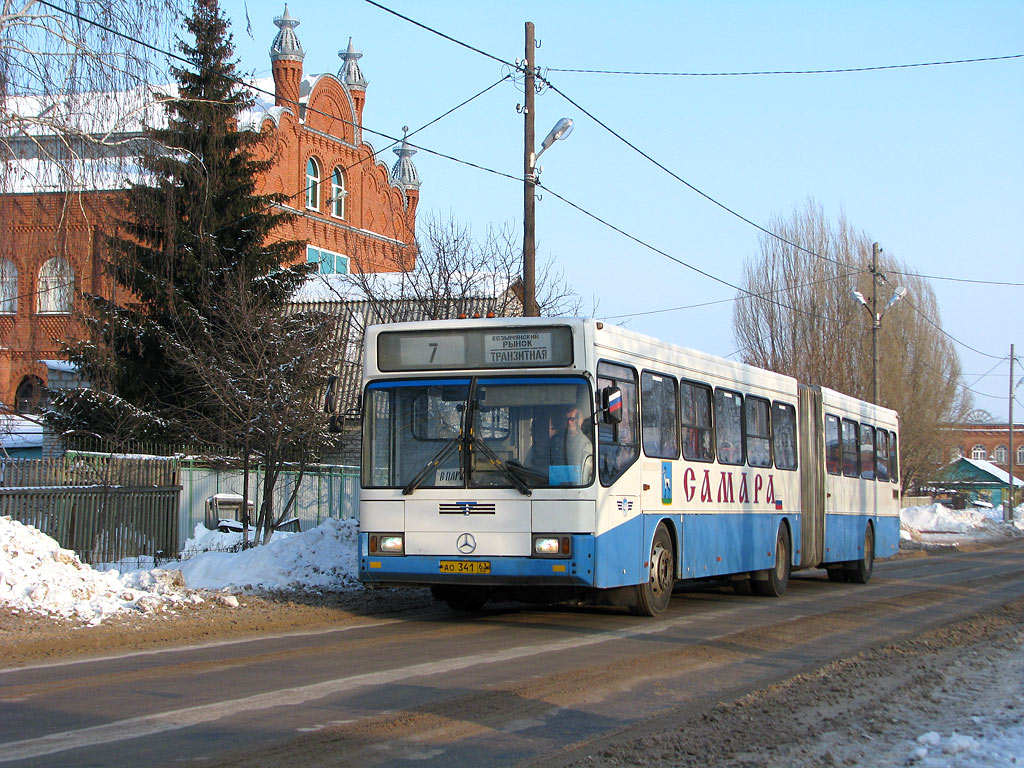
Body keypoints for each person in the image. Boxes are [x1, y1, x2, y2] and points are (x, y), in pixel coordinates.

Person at [549, 406, 591, 479]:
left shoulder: (585, 442)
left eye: (572, 419)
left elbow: (589, 465)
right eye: (567, 419)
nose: (569, 422)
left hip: (579, 483)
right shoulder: (555, 440)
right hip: (556, 482)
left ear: (579, 420)